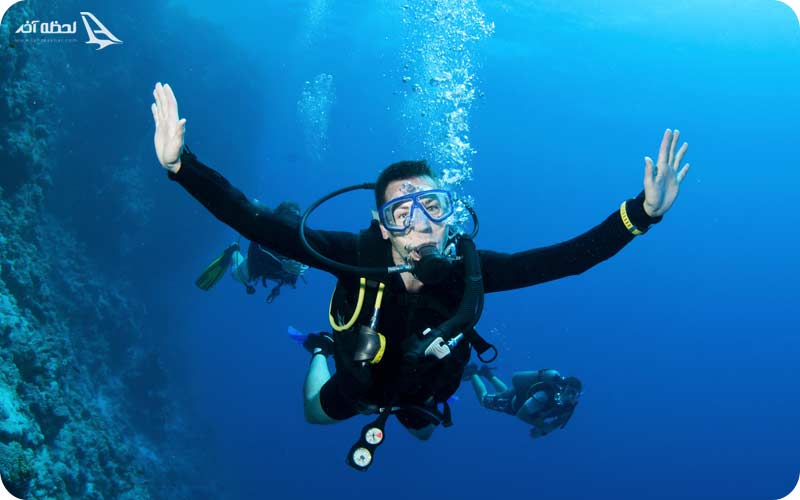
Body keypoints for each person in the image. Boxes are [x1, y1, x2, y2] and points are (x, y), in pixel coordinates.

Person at [151, 82, 690, 449]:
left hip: (427, 390)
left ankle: (412, 407)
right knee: (315, 413)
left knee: (425, 429)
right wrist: (182, 165)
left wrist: (641, 214)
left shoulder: (467, 269)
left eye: (433, 207)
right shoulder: (351, 257)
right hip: (358, 383)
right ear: (381, 225)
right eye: (401, 212)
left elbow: (565, 260)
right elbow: (258, 223)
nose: (421, 224)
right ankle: (317, 348)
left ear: (449, 216)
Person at [194, 201, 310, 303]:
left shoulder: (301, 232)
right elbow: (260, 247)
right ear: (280, 214)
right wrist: (284, 264)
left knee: (285, 279)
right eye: (289, 215)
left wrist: (305, 265)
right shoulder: (270, 226)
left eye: (296, 216)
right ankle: (234, 252)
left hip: (280, 273)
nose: (292, 220)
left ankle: (280, 276)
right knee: (237, 275)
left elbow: (313, 253)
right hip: (258, 264)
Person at [462, 363, 582, 438]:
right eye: (569, 392)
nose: (571, 397)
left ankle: (487, 373)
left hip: (519, 398)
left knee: (504, 392)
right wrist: (540, 425)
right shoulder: (544, 395)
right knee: (484, 400)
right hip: (513, 403)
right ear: (562, 389)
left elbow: (556, 423)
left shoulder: (568, 408)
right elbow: (521, 414)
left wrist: (543, 431)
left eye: (574, 394)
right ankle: (473, 373)